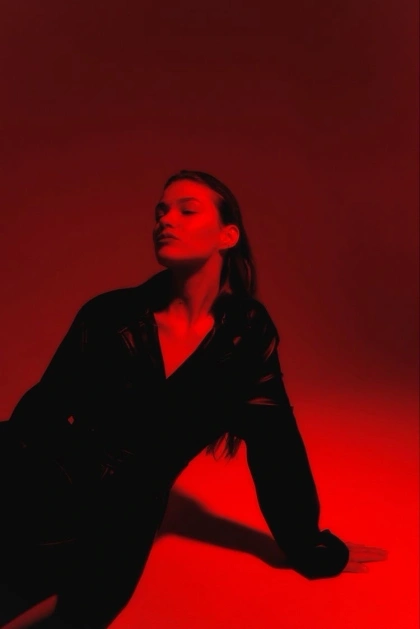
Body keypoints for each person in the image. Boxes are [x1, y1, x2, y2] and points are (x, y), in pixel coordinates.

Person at [0, 170, 386, 628]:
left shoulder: (245, 336)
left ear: (228, 235)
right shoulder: (108, 313)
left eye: (187, 210)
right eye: (161, 212)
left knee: (82, 605)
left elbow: (276, 444)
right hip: (46, 480)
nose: (166, 219)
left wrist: (306, 544)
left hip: (125, 517)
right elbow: (40, 413)